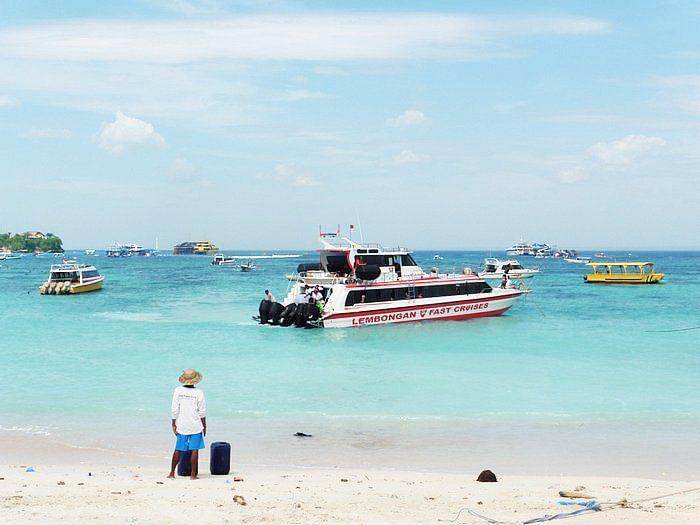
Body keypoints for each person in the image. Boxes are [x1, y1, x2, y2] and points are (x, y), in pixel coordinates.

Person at [168, 369, 207, 480]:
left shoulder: (178, 391)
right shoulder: (199, 392)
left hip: (182, 424)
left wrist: (173, 422)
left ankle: (171, 473)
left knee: (178, 449)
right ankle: (193, 475)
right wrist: (204, 425)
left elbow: (174, 408)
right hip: (195, 424)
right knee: (195, 450)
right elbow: (202, 411)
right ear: (195, 381)